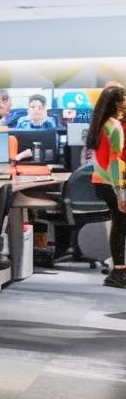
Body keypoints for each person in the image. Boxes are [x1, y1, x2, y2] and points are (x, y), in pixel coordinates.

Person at [87, 86, 126, 288]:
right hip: (112, 183)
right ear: (117, 103)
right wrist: (120, 193)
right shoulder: (115, 126)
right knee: (120, 226)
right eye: (124, 98)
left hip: (100, 182)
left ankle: (118, 270)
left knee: (119, 225)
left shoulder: (100, 124)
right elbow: (114, 162)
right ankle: (118, 272)